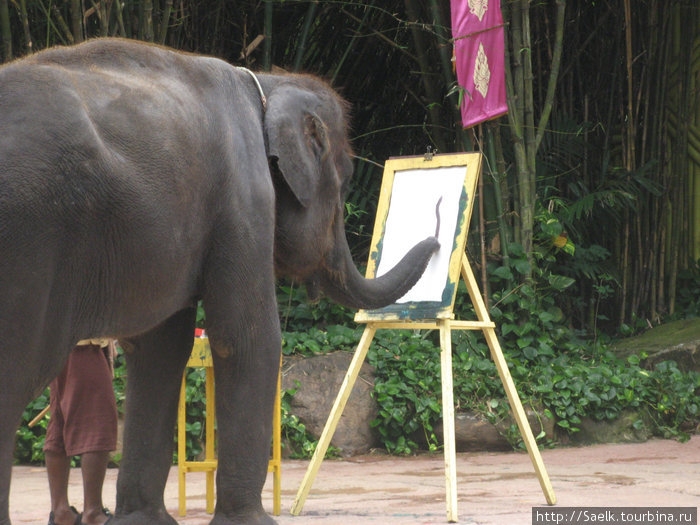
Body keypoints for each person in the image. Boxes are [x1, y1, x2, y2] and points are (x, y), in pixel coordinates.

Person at [44, 340, 118, 525]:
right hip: (84, 343)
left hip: (60, 346)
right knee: (98, 418)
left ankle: (60, 512)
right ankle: (93, 513)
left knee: (59, 423)